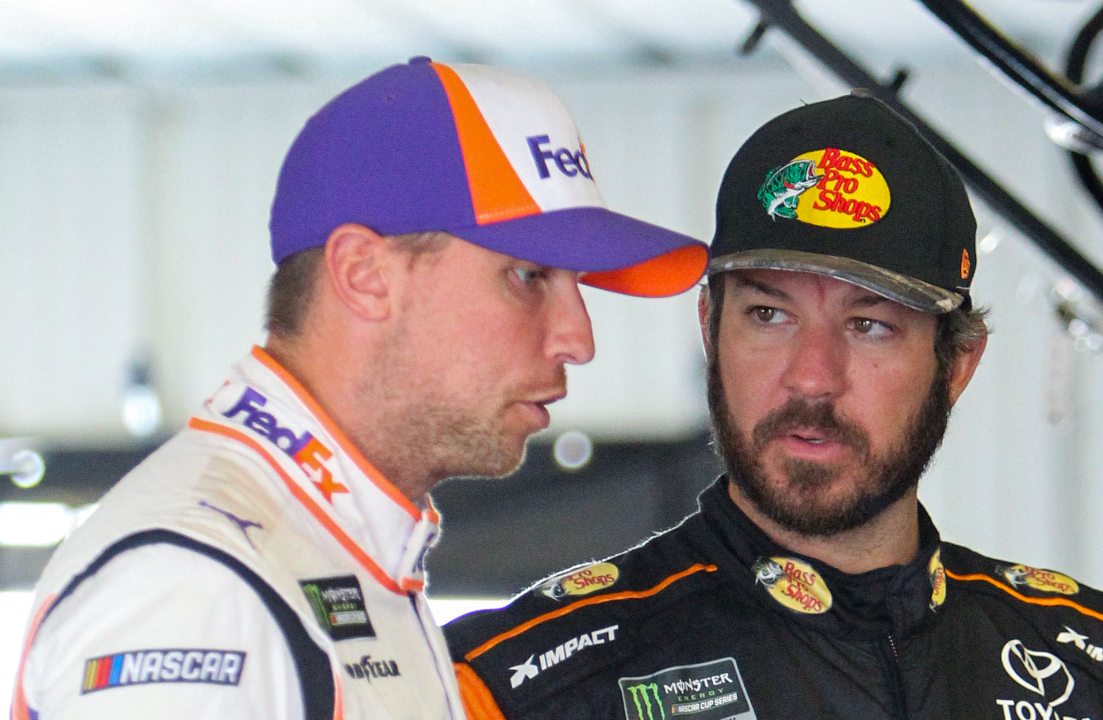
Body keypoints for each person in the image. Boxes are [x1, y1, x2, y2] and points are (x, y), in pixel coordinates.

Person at [10, 57, 706, 720]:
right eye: (528, 275)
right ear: (366, 276)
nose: (577, 340)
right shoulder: (196, 583)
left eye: (575, 287)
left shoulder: (328, 546)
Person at [444, 92, 1103, 719]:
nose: (811, 378)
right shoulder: (523, 688)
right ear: (710, 328)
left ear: (957, 364)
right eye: (769, 315)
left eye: (869, 326)